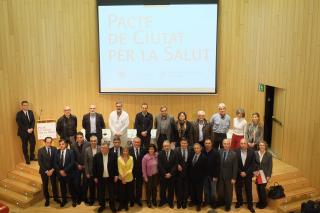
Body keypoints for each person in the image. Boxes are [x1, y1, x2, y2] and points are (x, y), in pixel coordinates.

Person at [93, 141, 118, 213]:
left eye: (105, 148)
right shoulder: (96, 156)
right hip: (100, 178)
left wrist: (116, 175)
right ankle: (102, 206)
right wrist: (95, 177)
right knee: (101, 193)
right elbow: (94, 168)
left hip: (110, 177)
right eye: (102, 148)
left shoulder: (113, 155)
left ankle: (112, 206)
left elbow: (116, 166)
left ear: (108, 149)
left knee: (111, 193)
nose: (104, 149)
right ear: (101, 148)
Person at [54, 139, 77, 207]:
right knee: (63, 188)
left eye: (63, 144)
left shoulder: (71, 152)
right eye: (60, 144)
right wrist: (60, 171)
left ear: (66, 144)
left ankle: (74, 200)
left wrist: (64, 171)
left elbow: (72, 163)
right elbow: (55, 163)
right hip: (60, 174)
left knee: (71, 189)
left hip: (69, 174)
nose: (61, 145)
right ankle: (64, 201)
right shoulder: (56, 152)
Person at [37, 137, 60, 206]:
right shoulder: (40, 150)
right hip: (44, 171)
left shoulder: (54, 149)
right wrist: (47, 171)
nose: (49, 144)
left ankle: (56, 198)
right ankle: (47, 199)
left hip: (53, 170)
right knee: (45, 185)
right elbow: (40, 162)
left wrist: (52, 170)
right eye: (47, 142)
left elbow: (56, 160)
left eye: (50, 142)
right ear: (44, 142)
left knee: (54, 185)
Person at [235, 138, 256, 213]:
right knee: (238, 189)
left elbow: (253, 164)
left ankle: (250, 205)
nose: (243, 145)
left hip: (248, 174)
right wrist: (240, 172)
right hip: (239, 174)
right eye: (241, 143)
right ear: (240, 144)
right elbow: (235, 164)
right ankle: (239, 202)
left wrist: (246, 173)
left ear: (247, 144)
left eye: (244, 143)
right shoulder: (236, 151)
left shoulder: (252, 152)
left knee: (248, 190)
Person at [217, 139, 238, 211]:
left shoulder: (234, 154)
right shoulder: (219, 152)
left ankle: (228, 205)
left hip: (229, 177)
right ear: (222, 144)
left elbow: (235, 167)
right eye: (224, 144)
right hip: (220, 176)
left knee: (228, 192)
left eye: (227, 144)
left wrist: (234, 178)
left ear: (230, 144)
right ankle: (221, 202)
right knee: (220, 191)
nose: (226, 145)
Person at [70, 132, 90, 204]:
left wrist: (85, 165)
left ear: (83, 137)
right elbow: (72, 158)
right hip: (77, 167)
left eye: (80, 137)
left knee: (85, 184)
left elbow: (89, 156)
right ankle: (78, 198)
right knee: (77, 183)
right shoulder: (72, 145)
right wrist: (77, 165)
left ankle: (84, 198)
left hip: (86, 167)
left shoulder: (88, 144)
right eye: (78, 137)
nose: (79, 139)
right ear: (76, 138)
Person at [174, 137, 193, 209]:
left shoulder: (191, 149)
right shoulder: (176, 150)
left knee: (186, 189)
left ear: (187, 144)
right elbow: (173, 160)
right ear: (180, 143)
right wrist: (177, 165)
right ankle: (179, 202)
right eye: (182, 143)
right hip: (178, 174)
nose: (184, 144)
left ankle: (184, 202)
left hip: (188, 174)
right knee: (178, 189)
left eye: (185, 143)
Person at [158, 140, 177, 208]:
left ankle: (170, 202)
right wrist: (165, 174)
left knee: (171, 190)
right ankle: (162, 201)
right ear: (163, 146)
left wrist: (170, 173)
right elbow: (160, 165)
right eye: (165, 146)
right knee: (162, 190)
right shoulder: (160, 153)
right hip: (163, 176)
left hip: (172, 176)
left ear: (170, 146)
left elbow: (175, 165)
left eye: (167, 146)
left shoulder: (174, 153)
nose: (166, 147)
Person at [188, 143, 207, 212]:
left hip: (200, 179)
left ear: (201, 148)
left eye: (197, 148)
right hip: (192, 178)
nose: (196, 149)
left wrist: (202, 177)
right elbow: (189, 166)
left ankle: (199, 204)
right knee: (192, 191)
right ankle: (193, 201)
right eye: (195, 148)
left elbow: (205, 169)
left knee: (199, 192)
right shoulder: (191, 155)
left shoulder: (204, 157)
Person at [254, 141, 272, 209]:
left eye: (263, 145)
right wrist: (254, 171)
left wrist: (268, 175)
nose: (261, 146)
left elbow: (270, 166)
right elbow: (253, 163)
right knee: (258, 188)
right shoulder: (255, 153)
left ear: (265, 146)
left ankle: (264, 203)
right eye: (260, 145)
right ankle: (260, 201)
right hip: (258, 174)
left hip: (264, 174)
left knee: (262, 189)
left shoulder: (269, 155)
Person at [202, 139, 220, 208]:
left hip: (213, 176)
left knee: (213, 191)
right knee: (206, 191)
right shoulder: (202, 151)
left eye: (209, 143)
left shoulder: (216, 152)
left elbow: (218, 165)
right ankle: (206, 202)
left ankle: (213, 203)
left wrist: (216, 176)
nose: (207, 144)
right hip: (204, 175)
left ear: (211, 144)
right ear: (204, 144)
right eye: (206, 143)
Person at [129, 137, 146, 207]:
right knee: (131, 187)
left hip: (140, 172)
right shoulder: (129, 150)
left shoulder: (144, 150)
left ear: (140, 143)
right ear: (133, 142)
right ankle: (132, 200)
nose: (136, 143)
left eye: (138, 142)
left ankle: (138, 199)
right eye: (135, 142)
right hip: (131, 172)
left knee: (139, 187)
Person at [84, 135, 100, 205]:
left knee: (99, 188)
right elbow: (85, 162)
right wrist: (87, 173)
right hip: (90, 173)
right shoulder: (87, 150)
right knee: (91, 187)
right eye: (92, 141)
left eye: (94, 141)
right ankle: (92, 200)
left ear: (97, 141)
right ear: (90, 142)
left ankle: (100, 200)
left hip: (99, 172)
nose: (93, 142)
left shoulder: (100, 148)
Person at [117, 146, 134, 211]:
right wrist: (122, 177)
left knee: (127, 193)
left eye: (126, 151)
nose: (125, 152)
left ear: (128, 152)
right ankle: (121, 205)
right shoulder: (119, 158)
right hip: (121, 178)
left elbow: (131, 169)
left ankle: (126, 205)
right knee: (121, 192)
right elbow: (119, 169)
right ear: (122, 152)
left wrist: (125, 176)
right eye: (124, 151)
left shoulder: (131, 158)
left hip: (129, 178)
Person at [142, 144, 158, 208]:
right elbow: (143, 169)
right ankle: (148, 201)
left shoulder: (157, 155)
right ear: (148, 150)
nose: (151, 150)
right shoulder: (145, 158)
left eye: (152, 149)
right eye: (150, 149)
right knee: (148, 189)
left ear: (154, 150)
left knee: (154, 189)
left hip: (155, 175)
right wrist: (145, 177)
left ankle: (154, 200)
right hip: (148, 176)